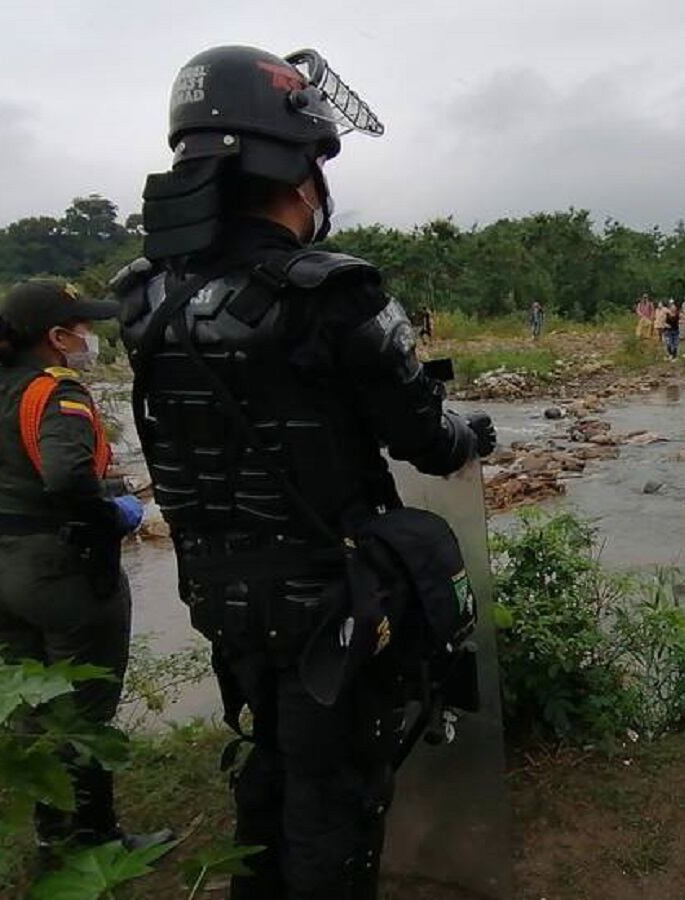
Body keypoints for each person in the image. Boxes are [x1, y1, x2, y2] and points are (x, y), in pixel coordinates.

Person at [115, 45, 496, 898]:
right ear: (298, 173)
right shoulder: (333, 292)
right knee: (337, 792)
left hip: (216, 589)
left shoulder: (141, 295)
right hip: (331, 597)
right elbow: (425, 440)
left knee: (269, 758)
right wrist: (474, 431)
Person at [0, 281, 167, 857]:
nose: (90, 336)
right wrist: (114, 513)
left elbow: (19, 474)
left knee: (35, 706)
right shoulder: (60, 394)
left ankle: (50, 833)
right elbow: (62, 475)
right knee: (82, 714)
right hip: (62, 574)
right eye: (82, 328)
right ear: (56, 338)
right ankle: (96, 841)